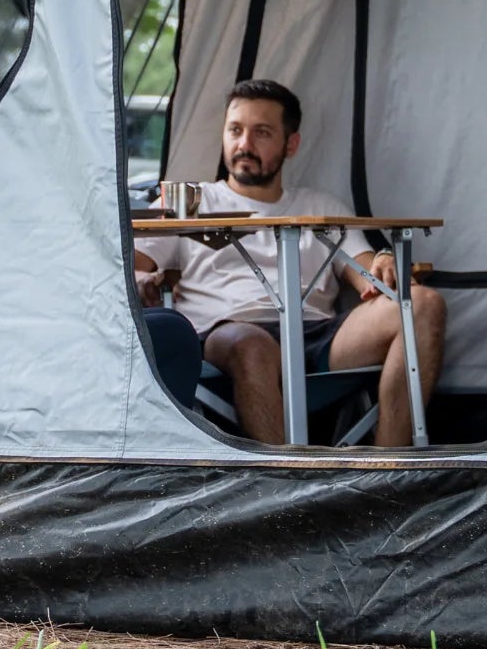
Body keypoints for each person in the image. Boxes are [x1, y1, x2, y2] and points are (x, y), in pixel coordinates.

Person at [132, 77, 447, 447]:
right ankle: (289, 487)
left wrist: (381, 262)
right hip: (227, 331)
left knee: (422, 305)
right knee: (251, 342)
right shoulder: (194, 203)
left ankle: (388, 471)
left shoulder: (321, 207)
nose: (244, 145)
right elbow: (127, 264)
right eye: (235, 130)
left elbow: (366, 275)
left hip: (315, 336)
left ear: (291, 144)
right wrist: (139, 281)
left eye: (262, 133)